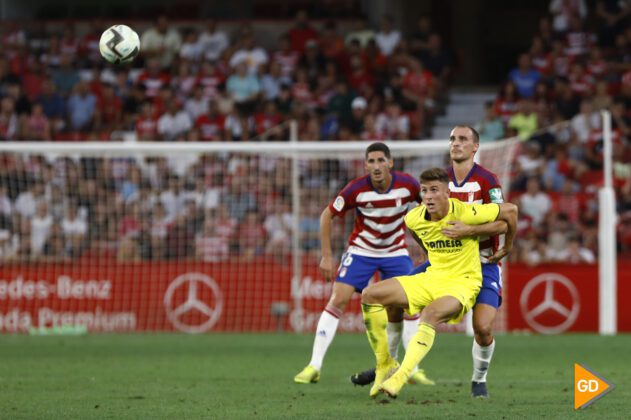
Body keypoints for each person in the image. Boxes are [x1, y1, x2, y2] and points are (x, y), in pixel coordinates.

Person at [351, 126, 511, 399]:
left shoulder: (487, 180)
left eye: (462, 139)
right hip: (442, 262)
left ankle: (479, 378)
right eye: (452, 139)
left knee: (483, 328)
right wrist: (431, 251)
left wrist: (470, 232)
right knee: (389, 299)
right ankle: (388, 364)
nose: (456, 143)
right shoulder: (438, 180)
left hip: (482, 262)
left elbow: (504, 221)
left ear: (475, 147)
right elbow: (418, 220)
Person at [294, 142, 432, 385]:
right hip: (361, 250)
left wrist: (425, 246)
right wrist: (326, 256)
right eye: (371, 161)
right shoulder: (355, 189)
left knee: (409, 305)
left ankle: (412, 368)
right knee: (339, 298)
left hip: (395, 251)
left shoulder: (408, 185)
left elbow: (427, 213)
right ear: (365, 165)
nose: (376, 166)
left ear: (390, 163)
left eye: (381, 161)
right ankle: (314, 365)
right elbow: (327, 215)